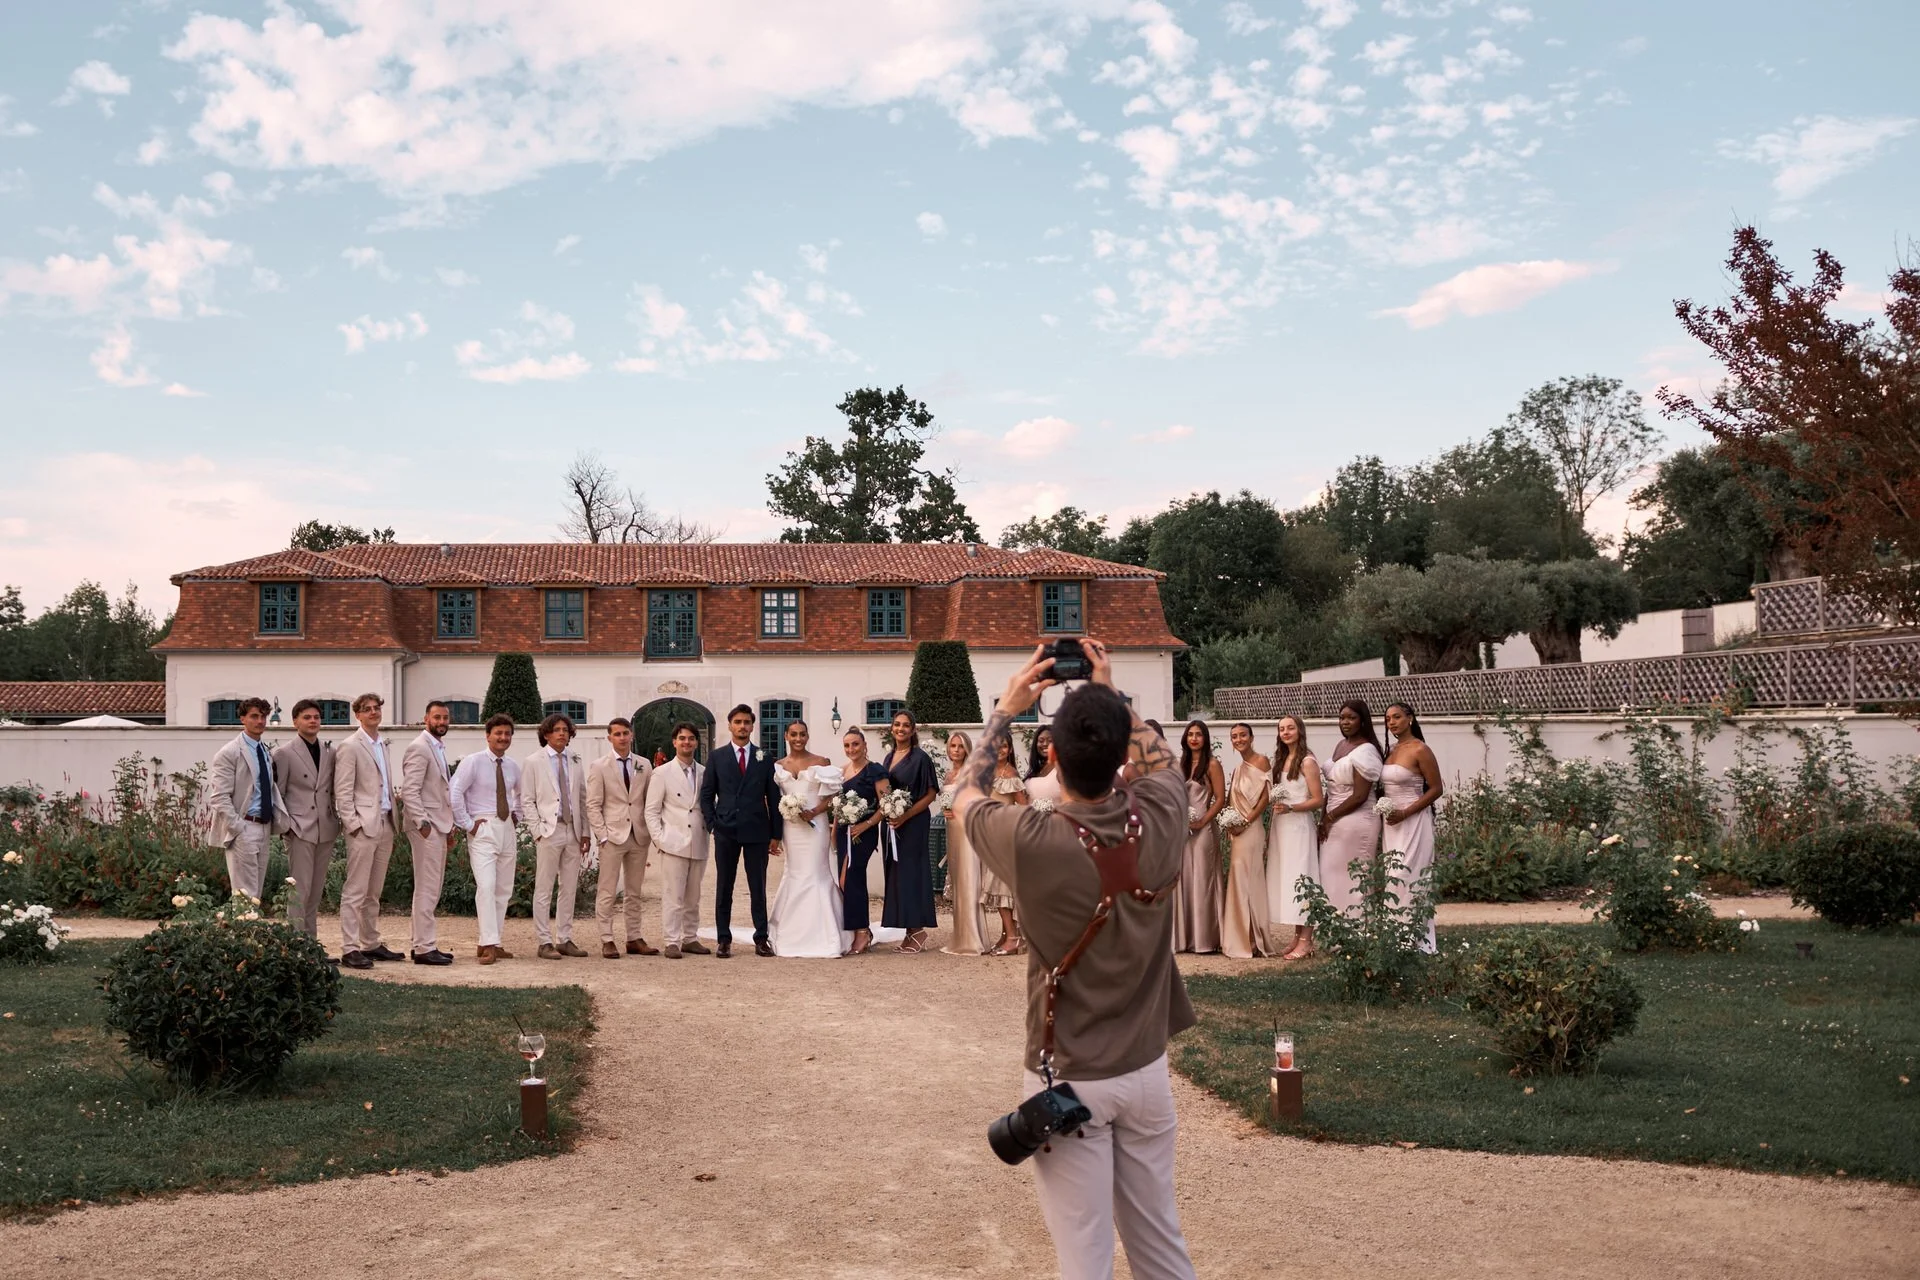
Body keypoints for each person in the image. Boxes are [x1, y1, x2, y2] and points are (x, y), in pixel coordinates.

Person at [955, 638, 1198, 1280]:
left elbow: (964, 796)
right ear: (1123, 753)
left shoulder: (1035, 839)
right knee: (1161, 1245)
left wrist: (1005, 710)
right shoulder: (1165, 810)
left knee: (1083, 1259)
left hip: (1071, 1076)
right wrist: (1107, 690)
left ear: (1053, 753)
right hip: (1146, 1069)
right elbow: (1162, 759)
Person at [700, 704, 785, 958]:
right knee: (724, 886)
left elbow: (773, 795)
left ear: (752, 726)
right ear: (730, 725)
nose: (742, 726)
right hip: (725, 829)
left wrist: (775, 834)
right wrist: (713, 823)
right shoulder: (717, 757)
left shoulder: (764, 757)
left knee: (757, 886)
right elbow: (706, 795)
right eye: (737, 722)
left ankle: (761, 938)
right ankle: (723, 939)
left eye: (747, 722)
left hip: (756, 830)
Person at [333, 692, 401, 970]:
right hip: (363, 826)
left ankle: (370, 943)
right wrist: (354, 824)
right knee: (356, 890)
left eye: (376, 708)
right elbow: (343, 790)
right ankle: (350, 948)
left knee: (374, 890)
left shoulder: (381, 744)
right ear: (358, 715)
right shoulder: (350, 746)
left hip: (385, 823)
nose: (373, 712)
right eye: (367, 709)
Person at [767, 719, 845, 958]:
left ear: (807, 736)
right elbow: (772, 799)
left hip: (816, 826)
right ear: (786, 737)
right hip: (792, 828)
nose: (798, 739)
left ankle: (826, 933)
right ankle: (789, 931)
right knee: (794, 872)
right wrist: (786, 815)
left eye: (802, 734)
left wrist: (814, 811)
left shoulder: (821, 762)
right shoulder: (778, 766)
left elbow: (833, 796)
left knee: (815, 871)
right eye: (793, 734)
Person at [451, 713, 522, 964]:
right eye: (498, 733)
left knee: (503, 889)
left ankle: (494, 941)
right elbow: (455, 791)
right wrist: (468, 824)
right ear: (488, 735)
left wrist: (518, 816)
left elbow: (520, 794)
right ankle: (488, 943)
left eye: (507, 734)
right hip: (483, 828)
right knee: (487, 885)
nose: (503, 738)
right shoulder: (473, 762)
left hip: (506, 828)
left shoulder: (513, 766)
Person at [521, 712, 592, 960]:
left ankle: (564, 938)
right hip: (549, 831)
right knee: (544, 887)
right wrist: (537, 831)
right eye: (557, 729)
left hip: (572, 830)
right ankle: (544, 941)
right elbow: (527, 799)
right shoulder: (534, 761)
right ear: (546, 734)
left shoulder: (574, 759)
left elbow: (582, 798)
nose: (562, 733)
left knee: (569, 887)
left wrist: (585, 832)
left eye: (565, 729)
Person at [208, 696, 290, 903]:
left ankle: (250, 933)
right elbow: (219, 797)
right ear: (242, 719)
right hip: (244, 825)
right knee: (245, 893)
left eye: (263, 716)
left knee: (255, 892)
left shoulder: (263, 750)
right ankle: (242, 933)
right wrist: (238, 826)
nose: (260, 721)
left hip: (264, 826)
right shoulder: (229, 752)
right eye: (254, 716)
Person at [588, 716, 656, 959]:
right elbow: (593, 804)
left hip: (638, 835)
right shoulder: (599, 766)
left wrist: (650, 831)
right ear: (609, 737)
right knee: (607, 890)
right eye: (617, 734)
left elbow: (649, 801)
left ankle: (634, 937)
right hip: (612, 836)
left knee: (634, 890)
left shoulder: (644, 764)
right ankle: (606, 939)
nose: (622, 738)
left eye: (626, 733)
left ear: (632, 735)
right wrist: (602, 836)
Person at [272, 698, 339, 944]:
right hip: (300, 828)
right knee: (299, 890)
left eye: (316, 717)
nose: (313, 721)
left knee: (316, 890)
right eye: (307, 717)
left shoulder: (330, 751)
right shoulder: (284, 753)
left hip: (326, 827)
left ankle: (311, 943)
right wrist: (285, 827)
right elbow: (278, 793)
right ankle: (296, 942)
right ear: (295, 721)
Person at [644, 723, 710, 959]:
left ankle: (690, 938)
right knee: (673, 894)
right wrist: (659, 839)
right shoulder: (661, 773)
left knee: (693, 895)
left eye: (691, 738)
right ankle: (672, 940)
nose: (687, 742)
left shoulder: (704, 772)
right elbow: (651, 810)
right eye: (682, 738)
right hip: (673, 840)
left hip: (699, 839)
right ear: (674, 742)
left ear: (696, 742)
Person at [1382, 702, 1444, 954]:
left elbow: (1437, 788)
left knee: (1409, 876)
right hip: (1391, 824)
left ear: (1410, 718)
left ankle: (1415, 937)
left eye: (1397, 717)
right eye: (1388, 719)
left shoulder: (1420, 749)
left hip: (1414, 820)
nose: (1392, 722)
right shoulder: (1391, 750)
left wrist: (1406, 812)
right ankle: (1395, 935)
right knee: (1392, 878)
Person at [398, 699, 456, 965]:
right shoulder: (419, 748)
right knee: (427, 888)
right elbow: (410, 789)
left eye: (445, 718)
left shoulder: (436, 747)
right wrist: (423, 824)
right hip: (426, 827)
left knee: (432, 887)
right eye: (437, 717)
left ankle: (424, 943)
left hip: (438, 824)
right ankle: (423, 948)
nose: (442, 722)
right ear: (426, 719)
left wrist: (448, 825)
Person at [880, 709, 939, 953]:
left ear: (913, 730)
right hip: (893, 825)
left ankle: (918, 931)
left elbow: (931, 794)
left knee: (912, 874)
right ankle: (908, 931)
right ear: (892, 728)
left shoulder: (920, 758)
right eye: (897, 724)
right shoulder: (889, 757)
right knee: (896, 876)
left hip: (913, 823)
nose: (900, 729)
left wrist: (905, 815)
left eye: (905, 725)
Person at [1265, 715, 1324, 962]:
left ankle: (1307, 940)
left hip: (1299, 825)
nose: (1286, 732)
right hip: (1281, 825)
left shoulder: (1307, 761)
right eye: (1282, 729)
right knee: (1289, 879)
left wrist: (1292, 808)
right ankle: (1297, 935)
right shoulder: (1280, 760)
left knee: (1303, 876)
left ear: (1299, 730)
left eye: (1290, 728)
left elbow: (1318, 799)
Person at [1318, 699, 1385, 914]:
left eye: (1351, 718)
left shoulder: (1366, 750)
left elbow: (1360, 795)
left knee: (1355, 874)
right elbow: (1330, 786)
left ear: (1362, 721)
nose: (1345, 722)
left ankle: (1358, 929)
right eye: (1341, 717)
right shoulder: (1341, 745)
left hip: (1356, 819)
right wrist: (1323, 817)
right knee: (1331, 873)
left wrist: (1330, 817)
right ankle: (1336, 929)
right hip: (1333, 816)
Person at [1219, 723, 1272, 959]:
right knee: (1238, 882)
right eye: (1234, 736)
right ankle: (1241, 937)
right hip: (1236, 832)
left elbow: (1265, 797)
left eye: (1242, 735)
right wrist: (1229, 823)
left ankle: (1255, 939)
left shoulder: (1262, 761)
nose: (1238, 739)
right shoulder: (1237, 769)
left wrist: (1247, 821)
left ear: (1251, 737)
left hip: (1251, 830)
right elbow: (1231, 802)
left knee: (1251, 882)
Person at [836, 727, 889, 955]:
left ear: (864, 744)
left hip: (864, 833)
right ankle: (857, 928)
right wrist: (833, 834)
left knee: (853, 878)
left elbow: (885, 805)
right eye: (847, 745)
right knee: (843, 880)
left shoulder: (875, 770)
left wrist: (866, 825)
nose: (851, 749)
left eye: (855, 744)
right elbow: (838, 807)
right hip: (843, 833)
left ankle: (862, 932)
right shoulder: (843, 771)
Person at [1173, 720, 1225, 954]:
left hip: (1203, 827)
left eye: (1198, 734)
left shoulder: (1213, 764)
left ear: (1205, 738)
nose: (1194, 738)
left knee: (1203, 879)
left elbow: (1222, 799)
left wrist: (1203, 821)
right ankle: (1185, 938)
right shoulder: (1179, 764)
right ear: (1185, 738)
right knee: (1184, 879)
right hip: (1183, 829)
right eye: (1190, 734)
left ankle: (1206, 938)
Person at [940, 731, 991, 957]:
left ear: (967, 749)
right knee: (958, 880)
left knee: (970, 879)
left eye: (961, 747)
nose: (956, 751)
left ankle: (974, 939)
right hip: (952, 831)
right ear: (948, 749)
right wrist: (945, 810)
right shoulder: (948, 776)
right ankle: (960, 936)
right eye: (953, 746)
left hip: (968, 831)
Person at [982, 733, 1032, 956]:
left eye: (1004, 746)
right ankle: (1006, 936)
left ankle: (1013, 938)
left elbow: (1023, 809)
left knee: (1001, 887)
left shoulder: (1011, 775)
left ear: (1010, 749)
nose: (1000, 750)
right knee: (996, 886)